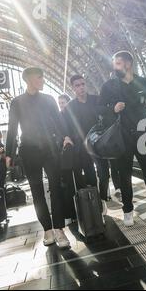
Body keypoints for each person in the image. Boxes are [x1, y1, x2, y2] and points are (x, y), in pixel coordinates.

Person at [99, 51, 146, 230]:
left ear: (128, 64)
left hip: (143, 135)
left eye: (118, 63)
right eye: (114, 63)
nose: (115, 66)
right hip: (121, 137)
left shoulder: (143, 82)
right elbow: (99, 110)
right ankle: (128, 210)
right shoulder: (109, 86)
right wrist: (113, 109)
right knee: (124, 176)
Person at [5, 67, 73, 249]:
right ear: (28, 80)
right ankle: (47, 229)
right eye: (40, 77)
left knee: (56, 188)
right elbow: (12, 128)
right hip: (28, 151)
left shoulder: (49, 99)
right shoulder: (17, 102)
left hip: (50, 149)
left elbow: (59, 121)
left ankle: (59, 229)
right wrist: (8, 153)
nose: (43, 80)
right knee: (36, 192)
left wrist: (66, 135)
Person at [63, 76, 99, 191]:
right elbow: (66, 127)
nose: (81, 87)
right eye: (77, 85)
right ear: (73, 88)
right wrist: (67, 137)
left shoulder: (96, 100)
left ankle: (103, 194)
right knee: (90, 174)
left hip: (100, 142)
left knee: (104, 175)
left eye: (83, 84)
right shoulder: (70, 107)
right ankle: (95, 201)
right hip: (82, 146)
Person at [58, 94, 76, 222]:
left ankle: (83, 209)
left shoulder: (74, 115)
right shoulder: (58, 117)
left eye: (63, 102)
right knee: (68, 183)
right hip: (65, 153)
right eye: (60, 103)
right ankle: (70, 213)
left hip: (77, 151)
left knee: (79, 182)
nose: (61, 105)